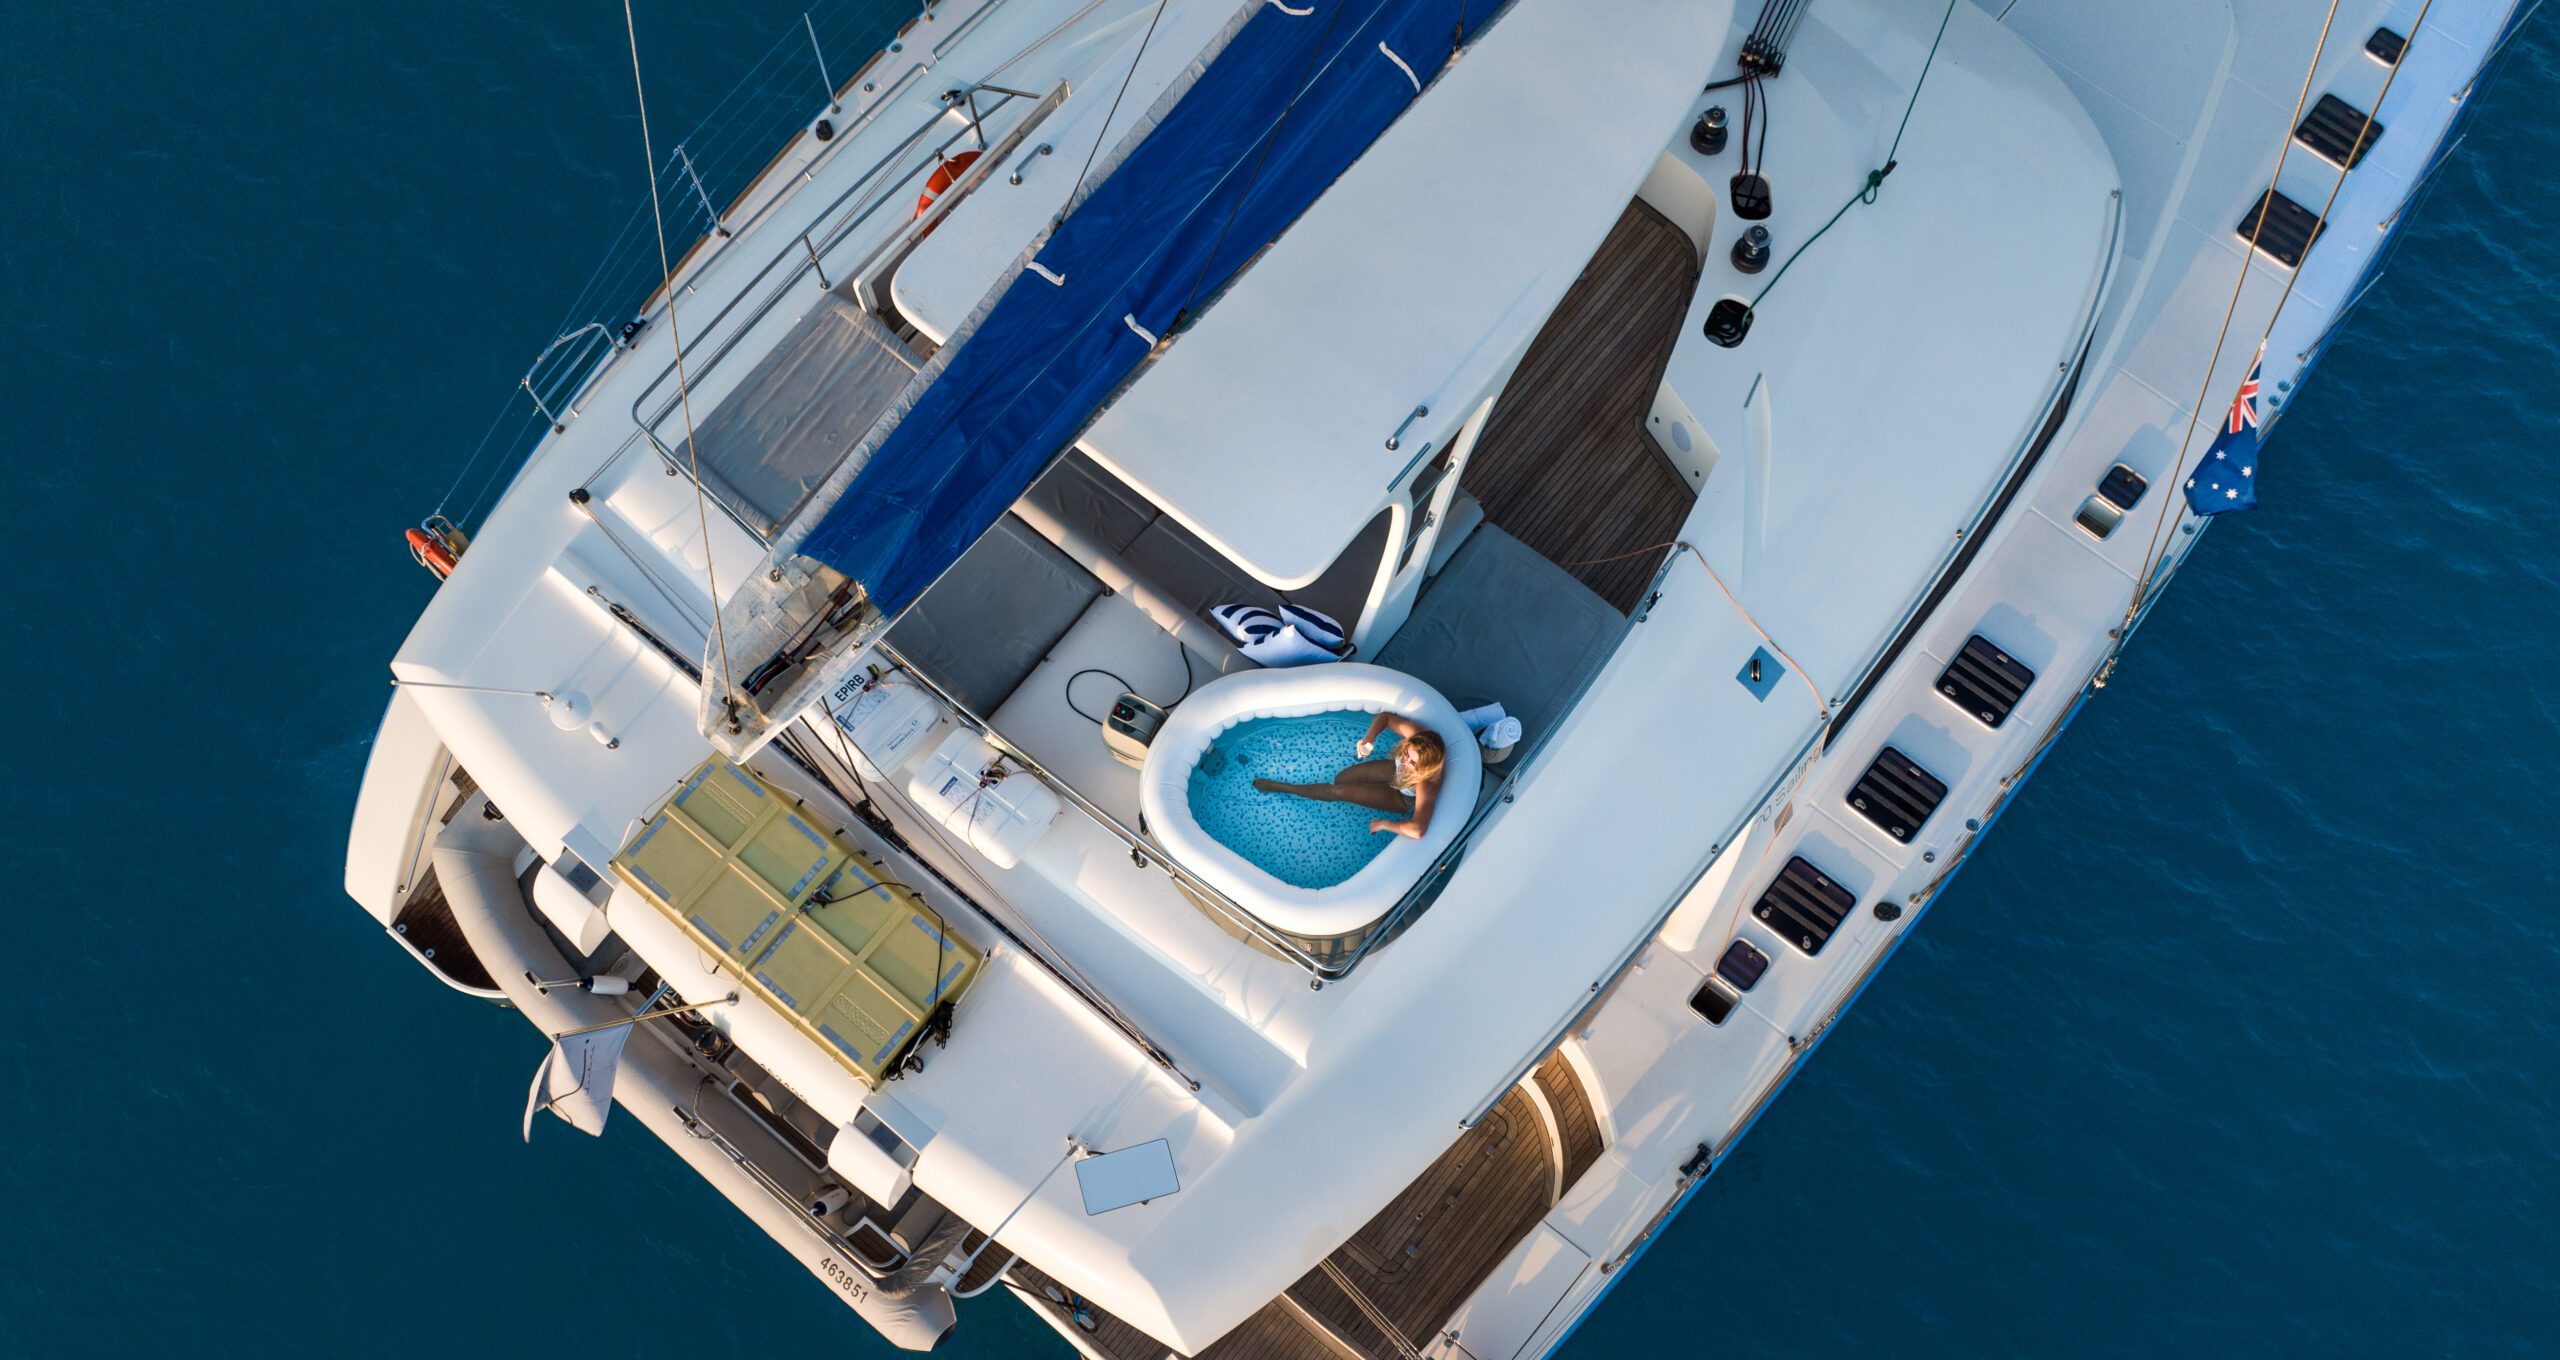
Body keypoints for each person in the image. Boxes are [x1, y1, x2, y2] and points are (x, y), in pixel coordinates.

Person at [1252, 713, 1448, 839]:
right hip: (1392, 771)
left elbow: (1418, 830)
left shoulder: (1426, 783)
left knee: (1338, 791)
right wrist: (1369, 739)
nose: (1405, 761)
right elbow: (1385, 718)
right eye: (1406, 753)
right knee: (1341, 778)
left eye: (1412, 763)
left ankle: (1281, 787)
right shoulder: (1416, 737)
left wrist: (1384, 824)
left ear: (1424, 769)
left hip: (1401, 797)